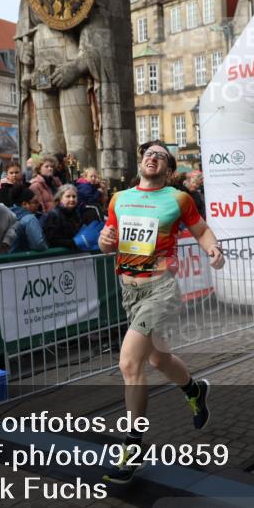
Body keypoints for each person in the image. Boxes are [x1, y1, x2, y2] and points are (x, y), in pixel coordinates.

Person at [98, 140, 224, 484]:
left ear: (168, 169)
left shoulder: (178, 199)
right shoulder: (119, 199)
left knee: (129, 363)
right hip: (129, 290)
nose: (153, 158)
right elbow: (107, 240)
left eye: (161, 156)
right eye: (148, 154)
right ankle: (194, 390)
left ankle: (132, 447)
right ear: (141, 162)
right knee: (157, 359)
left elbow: (201, 231)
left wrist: (214, 249)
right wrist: (105, 242)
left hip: (161, 288)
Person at [42, 184, 82, 249]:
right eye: (68, 196)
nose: (72, 199)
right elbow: (52, 240)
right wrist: (74, 242)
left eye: (74, 196)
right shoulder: (54, 214)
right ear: (60, 199)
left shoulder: (77, 213)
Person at [10, 188, 48, 252]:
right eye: (35, 202)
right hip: (25, 256)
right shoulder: (30, 219)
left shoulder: (7, 215)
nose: (38, 205)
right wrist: (47, 248)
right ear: (24, 204)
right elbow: (39, 245)